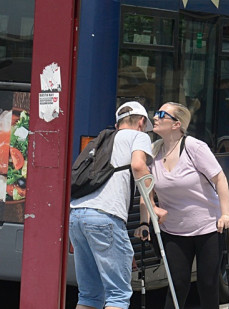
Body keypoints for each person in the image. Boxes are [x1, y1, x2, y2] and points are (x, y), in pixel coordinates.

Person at [69, 101, 158, 309]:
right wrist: (152, 203)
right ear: (142, 122)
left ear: (118, 123)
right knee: (118, 294)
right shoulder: (139, 136)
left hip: (77, 215)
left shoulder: (101, 139)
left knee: (89, 294)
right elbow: (138, 165)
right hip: (105, 216)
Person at [150, 102, 229, 309]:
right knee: (176, 285)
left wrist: (226, 214)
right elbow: (146, 192)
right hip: (174, 230)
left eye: (161, 114)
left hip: (207, 227)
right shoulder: (153, 152)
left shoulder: (194, 147)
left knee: (207, 284)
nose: (155, 117)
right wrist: (148, 216)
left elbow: (220, 178)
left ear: (176, 124)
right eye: (156, 113)